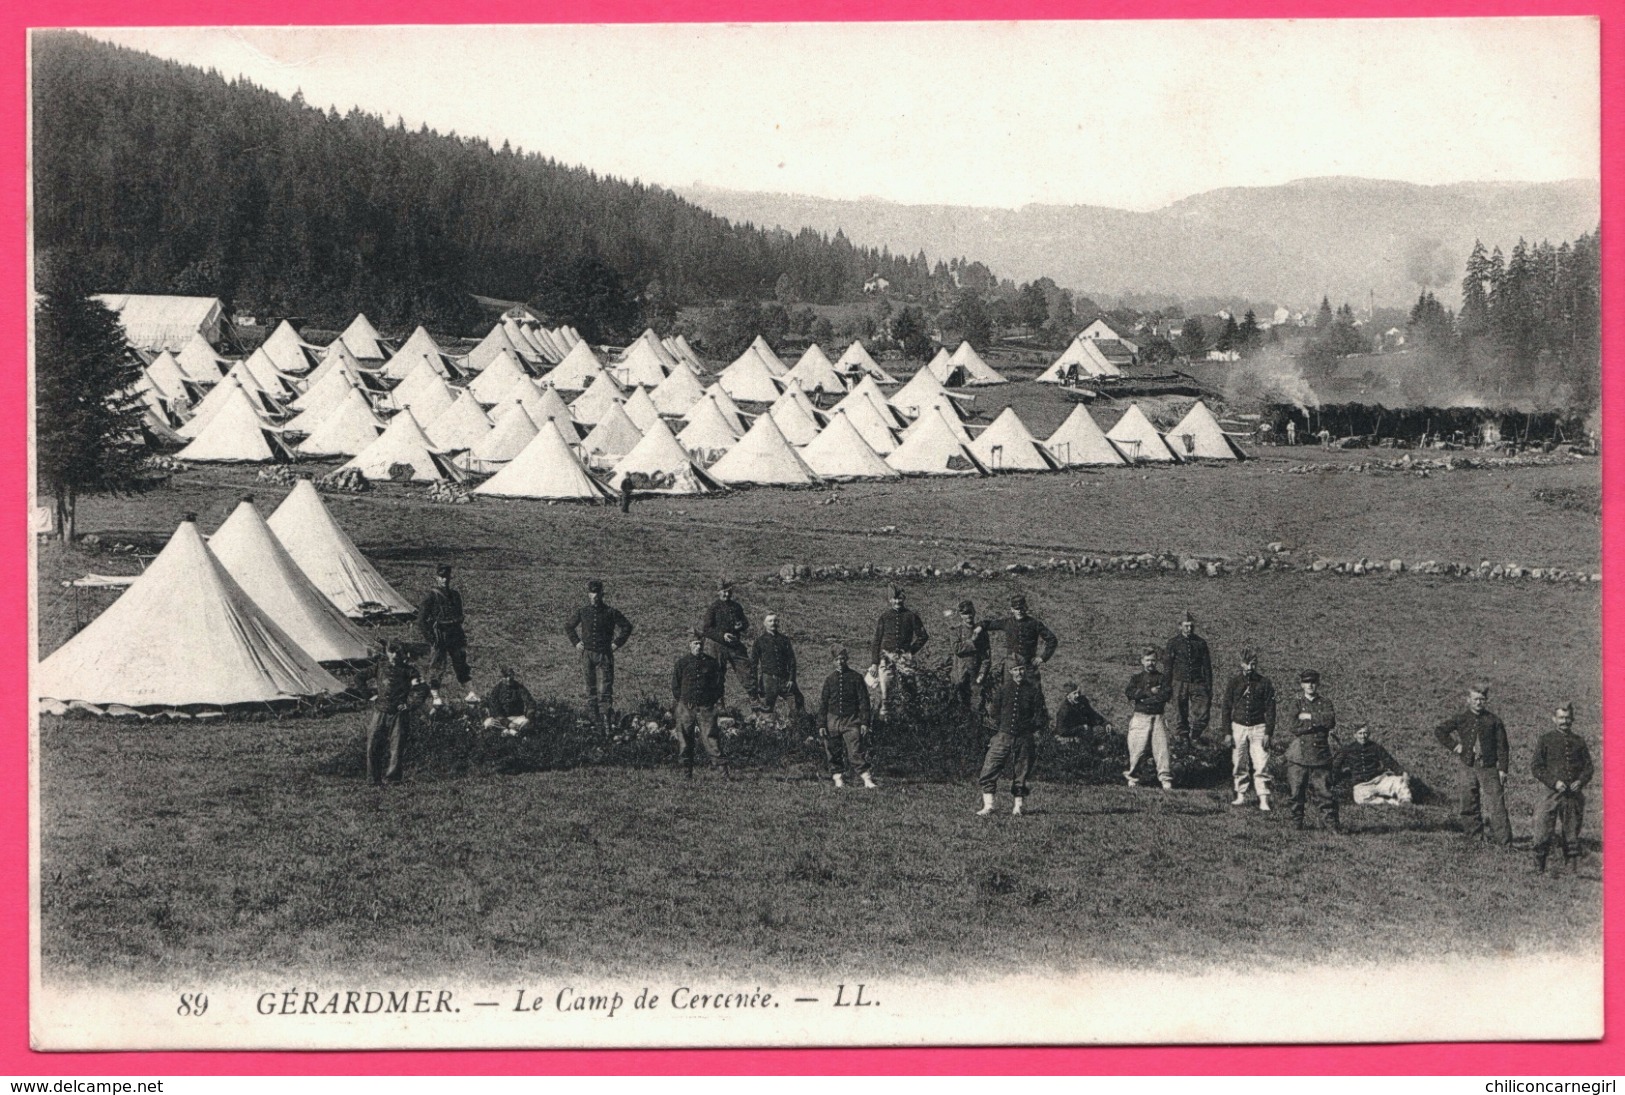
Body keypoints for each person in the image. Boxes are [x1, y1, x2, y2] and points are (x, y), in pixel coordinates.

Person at [1433, 683, 1512, 846]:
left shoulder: (1494, 721)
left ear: (1486, 700)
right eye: (1475, 699)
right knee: (1468, 801)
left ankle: (1504, 842)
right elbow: (1440, 731)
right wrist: (1455, 746)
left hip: (1489, 767)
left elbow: (1502, 747)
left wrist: (1503, 769)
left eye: (1482, 699)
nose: (1478, 703)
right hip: (1467, 765)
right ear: (1468, 700)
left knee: (1496, 804)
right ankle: (1474, 838)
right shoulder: (1461, 718)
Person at [977, 661, 1049, 816]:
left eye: (1022, 669)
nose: (1019, 673)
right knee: (990, 766)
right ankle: (989, 805)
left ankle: (1018, 806)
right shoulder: (1003, 690)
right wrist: (1004, 726)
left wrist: (1029, 727)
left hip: (1024, 737)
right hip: (1003, 735)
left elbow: (1041, 716)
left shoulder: (1033, 690)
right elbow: (994, 712)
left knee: (1022, 770)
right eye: (1016, 670)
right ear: (1010, 671)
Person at [1530, 702, 1593, 874]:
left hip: (1573, 795)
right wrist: (1554, 782)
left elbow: (1588, 768)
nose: (1564, 721)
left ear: (1572, 719)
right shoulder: (1545, 739)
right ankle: (1538, 868)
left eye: (1567, 718)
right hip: (1551, 793)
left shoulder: (1579, 742)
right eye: (1561, 718)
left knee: (1571, 832)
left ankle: (1571, 870)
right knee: (1542, 828)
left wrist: (1580, 781)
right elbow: (1536, 767)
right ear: (1554, 719)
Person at [564, 578, 634, 731]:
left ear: (602, 594)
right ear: (588, 594)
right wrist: (576, 642)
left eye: (597, 593)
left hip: (605, 655)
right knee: (591, 689)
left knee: (606, 689)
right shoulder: (583, 612)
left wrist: (616, 643)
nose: (594, 596)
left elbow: (627, 626)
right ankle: (594, 722)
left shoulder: (610, 612)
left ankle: (606, 722)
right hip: (587, 655)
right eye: (591, 593)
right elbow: (569, 626)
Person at [1220, 648, 1277, 810]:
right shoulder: (1234, 682)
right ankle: (1241, 795)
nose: (1250, 668)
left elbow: (1271, 710)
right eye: (1247, 664)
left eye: (1253, 664)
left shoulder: (1265, 683)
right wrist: (1227, 733)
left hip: (1259, 727)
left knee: (1261, 763)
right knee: (1239, 762)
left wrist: (1268, 733)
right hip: (1238, 727)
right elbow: (1226, 708)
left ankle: (1263, 799)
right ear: (1241, 664)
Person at [1285, 669, 1339, 832]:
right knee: (1296, 792)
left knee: (1325, 792)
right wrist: (1317, 721)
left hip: (1320, 754)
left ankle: (1331, 825)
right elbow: (1294, 727)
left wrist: (1307, 717)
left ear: (1318, 684)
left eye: (1313, 682)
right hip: (1298, 755)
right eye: (1307, 682)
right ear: (1302, 684)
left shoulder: (1326, 702)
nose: (1311, 685)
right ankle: (1296, 823)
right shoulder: (1296, 703)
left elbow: (1330, 722)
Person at [366, 641, 425, 786]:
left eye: (398, 652)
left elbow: (422, 689)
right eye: (391, 651)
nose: (395, 655)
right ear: (386, 652)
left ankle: (393, 779)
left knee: (397, 747)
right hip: (380, 711)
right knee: (372, 745)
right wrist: (369, 695)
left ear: (403, 654)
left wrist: (409, 705)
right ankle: (373, 780)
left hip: (398, 714)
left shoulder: (409, 671)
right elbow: (359, 678)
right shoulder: (379, 667)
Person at [671, 631, 727, 777]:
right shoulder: (682, 663)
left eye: (701, 644)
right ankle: (685, 771)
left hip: (706, 707)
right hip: (686, 707)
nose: (698, 646)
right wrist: (683, 701)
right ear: (690, 645)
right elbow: (675, 685)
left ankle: (721, 771)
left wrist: (711, 700)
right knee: (684, 739)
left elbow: (719, 684)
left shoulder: (711, 663)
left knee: (711, 738)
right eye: (695, 643)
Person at [419, 564, 477, 703]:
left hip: (455, 634)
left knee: (461, 663)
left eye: (446, 577)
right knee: (437, 666)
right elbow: (421, 620)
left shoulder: (455, 595)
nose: (444, 580)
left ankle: (470, 693)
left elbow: (460, 614)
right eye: (441, 577)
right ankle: (436, 697)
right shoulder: (431, 596)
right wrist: (431, 639)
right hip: (440, 635)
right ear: (436, 577)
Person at [819, 647, 876, 790]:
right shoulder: (829, 680)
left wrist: (864, 722)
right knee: (832, 751)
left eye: (842, 658)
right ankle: (838, 779)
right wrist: (821, 724)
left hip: (851, 720)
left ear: (847, 659)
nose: (840, 662)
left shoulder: (856, 678)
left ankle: (867, 780)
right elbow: (823, 704)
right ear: (833, 661)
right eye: (836, 659)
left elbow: (864, 701)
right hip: (832, 720)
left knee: (855, 751)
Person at [870, 586, 928, 717]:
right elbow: (876, 641)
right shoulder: (884, 617)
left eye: (900, 598)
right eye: (895, 599)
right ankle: (886, 721)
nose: (897, 602)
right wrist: (874, 662)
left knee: (910, 689)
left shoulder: (911, 616)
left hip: (904, 658)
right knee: (886, 693)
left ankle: (912, 719)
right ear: (890, 599)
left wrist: (910, 651)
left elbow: (923, 636)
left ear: (904, 599)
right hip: (886, 659)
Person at [1123, 646, 1174, 789]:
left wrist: (1144, 699)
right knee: (1136, 749)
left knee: (1162, 749)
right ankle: (1133, 778)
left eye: (1153, 660)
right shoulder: (1136, 678)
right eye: (1147, 660)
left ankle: (1165, 779)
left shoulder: (1162, 678)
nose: (1150, 663)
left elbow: (1165, 695)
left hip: (1158, 717)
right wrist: (1149, 692)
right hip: (1140, 717)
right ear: (1142, 661)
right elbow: (1130, 693)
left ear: (1156, 661)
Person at [981, 593, 1058, 686]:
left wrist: (1042, 658)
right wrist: (979, 627)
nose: (1020, 611)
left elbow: (1052, 640)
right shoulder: (1007, 623)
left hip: (1029, 665)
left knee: (1033, 693)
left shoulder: (1034, 623)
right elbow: (988, 624)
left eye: (1022, 608)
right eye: (1017, 609)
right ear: (1012, 609)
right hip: (1011, 668)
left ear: (1026, 608)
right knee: (1009, 692)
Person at [1333, 723, 1412, 805]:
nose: (1363, 736)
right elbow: (1336, 766)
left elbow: (1388, 761)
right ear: (1355, 735)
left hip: (1379, 780)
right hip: (1361, 784)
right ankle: (1390, 802)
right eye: (1360, 733)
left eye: (1365, 733)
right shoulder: (1347, 750)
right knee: (1361, 800)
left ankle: (1406, 803)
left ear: (1368, 734)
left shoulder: (1375, 747)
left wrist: (1402, 772)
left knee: (1399, 782)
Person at [701, 581, 754, 701]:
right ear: (718, 592)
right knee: (717, 675)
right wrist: (722, 635)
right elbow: (706, 629)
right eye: (724, 592)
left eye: (729, 591)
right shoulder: (714, 608)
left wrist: (741, 626)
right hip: (718, 646)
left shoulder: (736, 607)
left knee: (746, 672)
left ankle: (756, 705)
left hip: (735, 645)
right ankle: (719, 705)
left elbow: (745, 623)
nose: (727, 594)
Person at [1164, 612, 1212, 740]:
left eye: (1191, 626)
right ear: (1180, 626)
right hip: (1179, 682)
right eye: (1186, 626)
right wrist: (1167, 687)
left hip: (1197, 682)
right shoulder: (1173, 643)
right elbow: (1168, 667)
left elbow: (1207, 667)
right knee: (1180, 713)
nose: (1189, 629)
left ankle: (1195, 735)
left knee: (1203, 713)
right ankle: (1183, 740)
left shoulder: (1201, 643)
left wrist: (1208, 686)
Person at [750, 613, 802, 724]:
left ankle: (794, 728)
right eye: (770, 621)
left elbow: (792, 660)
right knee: (766, 710)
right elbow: (753, 664)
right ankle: (768, 734)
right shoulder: (759, 641)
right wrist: (755, 684)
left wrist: (791, 679)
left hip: (785, 679)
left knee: (797, 703)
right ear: (764, 624)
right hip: (768, 680)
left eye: (775, 621)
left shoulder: (784, 640)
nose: (773, 623)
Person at [949, 599, 992, 714]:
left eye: (970, 612)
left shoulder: (982, 633)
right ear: (960, 615)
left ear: (974, 612)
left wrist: (982, 675)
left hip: (976, 678)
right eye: (964, 613)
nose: (968, 616)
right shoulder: (956, 631)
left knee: (976, 708)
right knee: (959, 709)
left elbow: (986, 658)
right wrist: (972, 641)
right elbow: (956, 649)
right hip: (959, 676)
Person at [483, 665, 536, 736]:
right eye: (505, 676)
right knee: (488, 723)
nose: (508, 679)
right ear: (501, 677)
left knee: (529, 723)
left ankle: (507, 732)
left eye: (510, 676)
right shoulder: (496, 690)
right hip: (502, 720)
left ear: (513, 675)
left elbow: (531, 703)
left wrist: (528, 718)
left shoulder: (519, 688)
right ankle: (512, 732)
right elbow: (495, 710)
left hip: (518, 718)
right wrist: (508, 723)